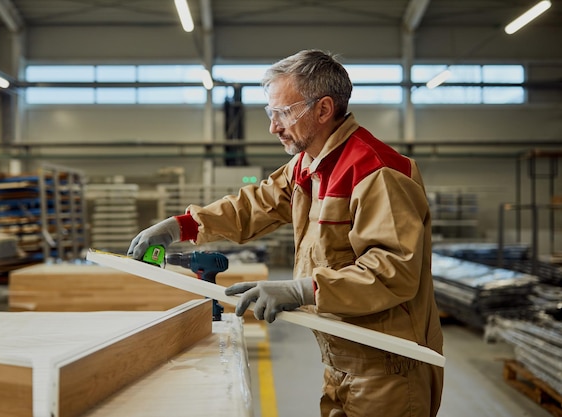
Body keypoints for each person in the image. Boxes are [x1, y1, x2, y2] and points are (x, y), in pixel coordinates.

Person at [128, 49, 444, 417]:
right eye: (270, 113)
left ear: (323, 110)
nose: (273, 126)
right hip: (343, 358)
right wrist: (181, 225)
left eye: (283, 113)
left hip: (387, 367)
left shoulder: (376, 172)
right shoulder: (308, 166)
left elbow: (394, 271)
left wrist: (302, 290)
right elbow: (254, 204)